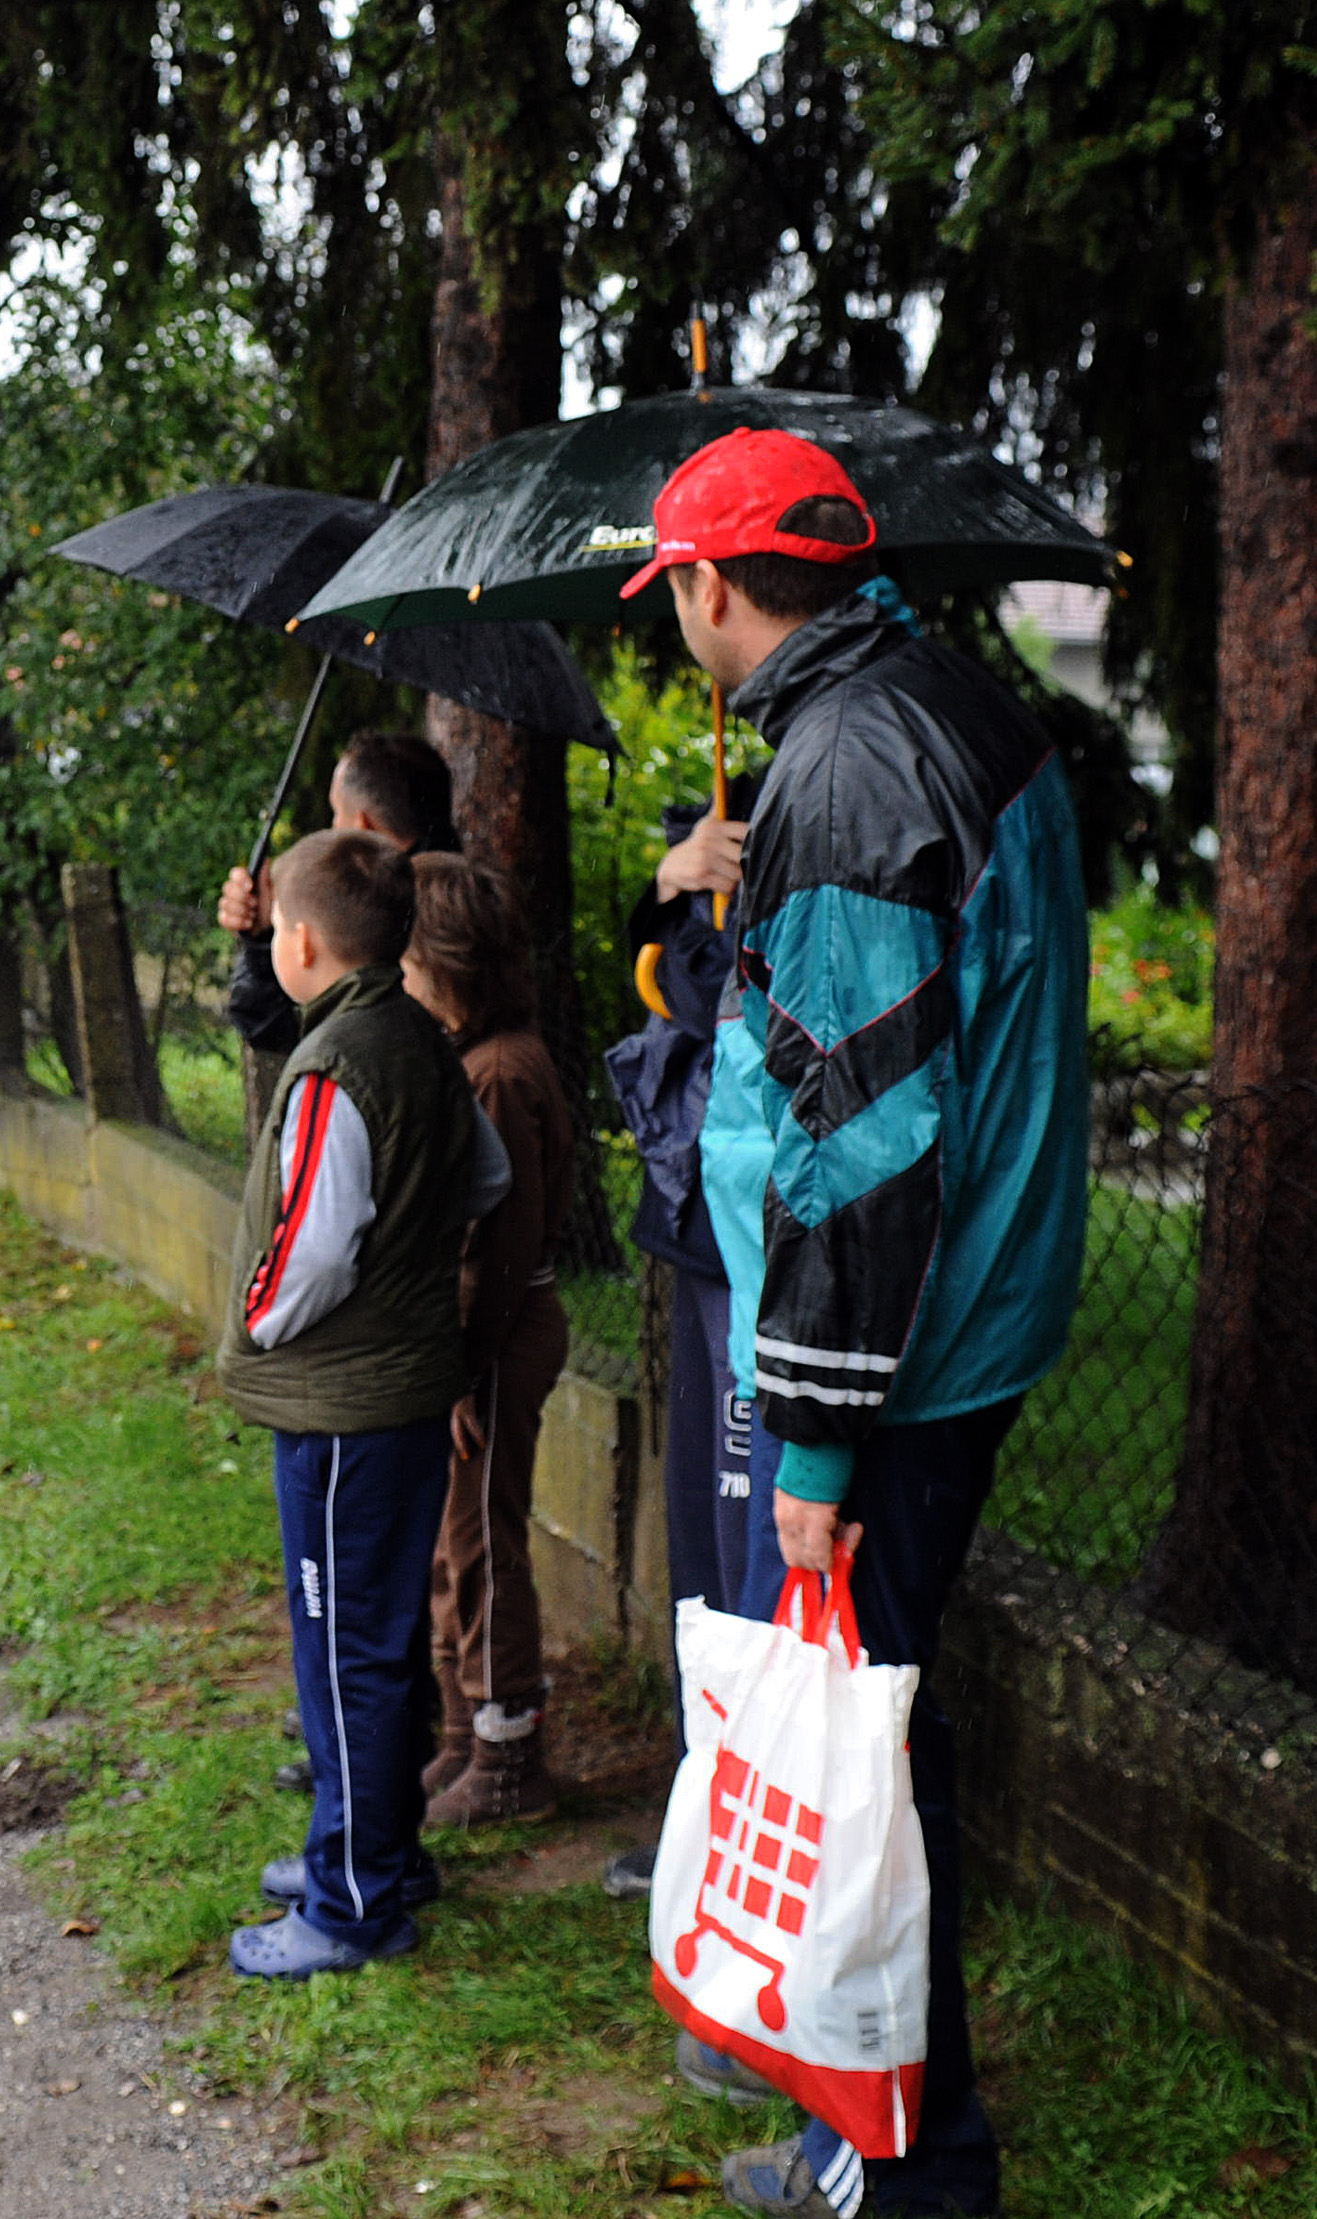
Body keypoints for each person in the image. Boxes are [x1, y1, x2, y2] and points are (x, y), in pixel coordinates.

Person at [621, 427, 1087, 2216]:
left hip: (901, 1358)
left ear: (713, 587)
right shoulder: (951, 706)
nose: (677, 619)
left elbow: (858, 1140)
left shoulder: (844, 761)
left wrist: (813, 1434)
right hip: (977, 1316)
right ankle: (874, 2130)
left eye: (673, 595)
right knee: (882, 1740)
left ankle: (899, 2166)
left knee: (862, 1760)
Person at [216, 827, 499, 1980]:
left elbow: (312, 1250)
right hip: (396, 1391)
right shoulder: (417, 1037)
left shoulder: (340, 1063)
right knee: (373, 1638)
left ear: (298, 941)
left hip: (343, 1407)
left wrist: (253, 1316)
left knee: (343, 1651)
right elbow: (485, 1178)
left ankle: (349, 1901)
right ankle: (382, 1850)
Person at [597, 776, 759, 1900]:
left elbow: (714, 1010)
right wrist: (667, 883)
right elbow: (667, 991)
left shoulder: (816, 865)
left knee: (745, 1555)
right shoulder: (699, 872)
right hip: (698, 1239)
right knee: (698, 1549)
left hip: (759, 1263)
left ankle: (748, 1835)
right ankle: (703, 1805)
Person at [403, 854, 575, 1829]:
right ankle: (464, 1728)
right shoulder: (471, 1057)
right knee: (449, 1536)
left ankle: (511, 1754)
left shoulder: (501, 1072)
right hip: (470, 1340)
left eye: (409, 967)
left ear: (449, 965)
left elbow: (498, 1248)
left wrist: (464, 1371)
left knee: (480, 1543)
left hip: (498, 1340)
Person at [216, 730, 459, 1055]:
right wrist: (263, 932)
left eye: (335, 812)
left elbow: (286, 1029)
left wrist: (265, 943)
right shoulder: (460, 895)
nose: (331, 828)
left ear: (363, 828)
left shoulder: (386, 918)